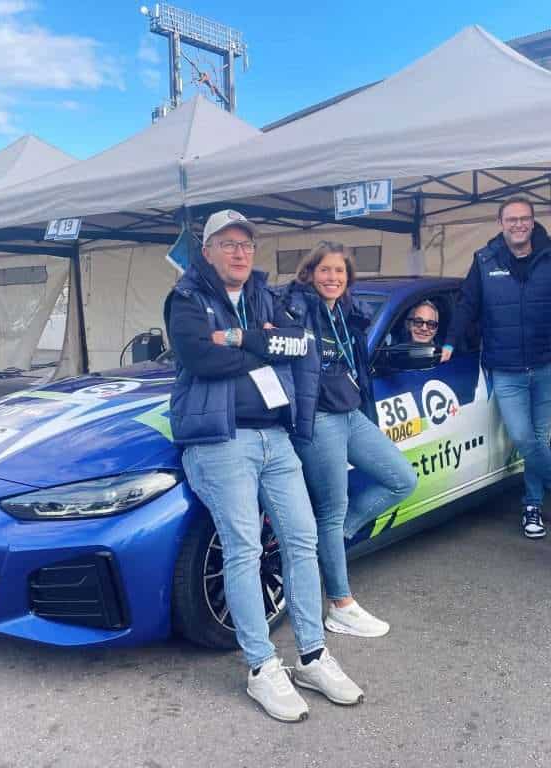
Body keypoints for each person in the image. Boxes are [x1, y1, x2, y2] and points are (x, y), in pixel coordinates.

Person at [164, 210, 363, 722]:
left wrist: (235, 338)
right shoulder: (186, 298)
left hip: (275, 436)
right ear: (206, 250)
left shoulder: (262, 293)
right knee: (244, 548)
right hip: (220, 439)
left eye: (246, 244)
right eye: (227, 244)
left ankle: (313, 656)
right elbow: (200, 358)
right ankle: (261, 667)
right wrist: (261, 342)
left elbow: (299, 344)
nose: (239, 252)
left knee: (301, 538)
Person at [280, 241, 418, 638]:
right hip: (317, 418)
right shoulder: (297, 308)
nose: (332, 278)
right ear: (310, 272)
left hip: (350, 412)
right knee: (331, 507)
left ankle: (334, 540)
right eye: (325, 270)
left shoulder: (348, 313)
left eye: (340, 272)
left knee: (401, 479)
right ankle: (340, 604)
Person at [442, 196, 551, 538]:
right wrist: (448, 342)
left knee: (538, 439)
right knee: (523, 438)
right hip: (506, 370)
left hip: (547, 366)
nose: (518, 224)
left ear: (532, 222)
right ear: (500, 223)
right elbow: (467, 304)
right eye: (511, 219)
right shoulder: (485, 260)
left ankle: (532, 505)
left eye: (524, 219)